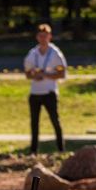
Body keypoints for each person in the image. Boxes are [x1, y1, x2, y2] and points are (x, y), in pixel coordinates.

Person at [23, 23, 67, 153]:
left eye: (45, 36)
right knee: (34, 123)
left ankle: (61, 149)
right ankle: (33, 151)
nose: (43, 39)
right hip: (35, 92)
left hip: (49, 92)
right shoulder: (33, 53)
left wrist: (47, 75)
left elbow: (62, 73)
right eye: (40, 36)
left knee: (55, 121)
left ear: (50, 37)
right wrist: (34, 75)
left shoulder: (55, 54)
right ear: (37, 37)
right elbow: (27, 73)